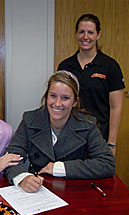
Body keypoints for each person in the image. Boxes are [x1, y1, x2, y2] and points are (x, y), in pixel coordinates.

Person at [5, 71, 115, 193]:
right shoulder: (30, 119)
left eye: (65, 98)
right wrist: (23, 178)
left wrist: (58, 168)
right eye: (53, 96)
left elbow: (107, 163)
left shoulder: (88, 125)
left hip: (75, 192)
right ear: (46, 96)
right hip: (37, 191)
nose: (57, 104)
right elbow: (11, 157)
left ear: (75, 102)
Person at [58, 14, 125, 155]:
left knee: (97, 175)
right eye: (81, 32)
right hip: (70, 136)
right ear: (76, 34)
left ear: (98, 35)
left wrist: (111, 144)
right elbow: (59, 103)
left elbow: (116, 107)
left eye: (90, 32)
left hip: (99, 137)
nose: (85, 37)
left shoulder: (110, 66)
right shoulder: (65, 66)